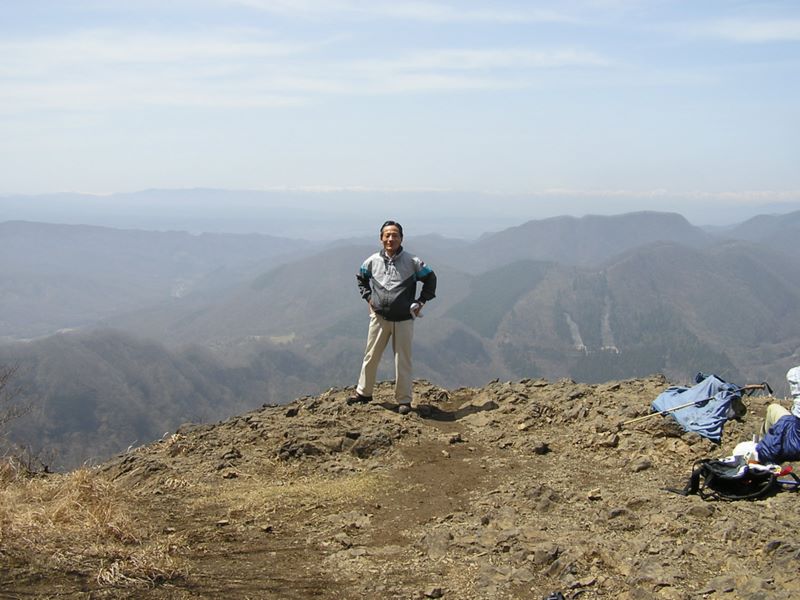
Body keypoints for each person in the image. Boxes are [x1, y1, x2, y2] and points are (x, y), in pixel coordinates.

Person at [348, 220, 436, 414]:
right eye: (387, 235)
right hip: (379, 317)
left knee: (402, 359)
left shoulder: (412, 262)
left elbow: (430, 278)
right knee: (371, 355)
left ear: (401, 238)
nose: (390, 239)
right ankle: (363, 392)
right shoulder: (372, 261)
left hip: (404, 319)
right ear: (381, 238)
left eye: (395, 235)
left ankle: (404, 400)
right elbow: (361, 277)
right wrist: (369, 298)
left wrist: (421, 301)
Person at [735, 366, 800, 464]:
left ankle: (762, 441)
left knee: (773, 409)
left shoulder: (785, 424)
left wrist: (759, 452)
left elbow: (766, 451)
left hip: (793, 438)